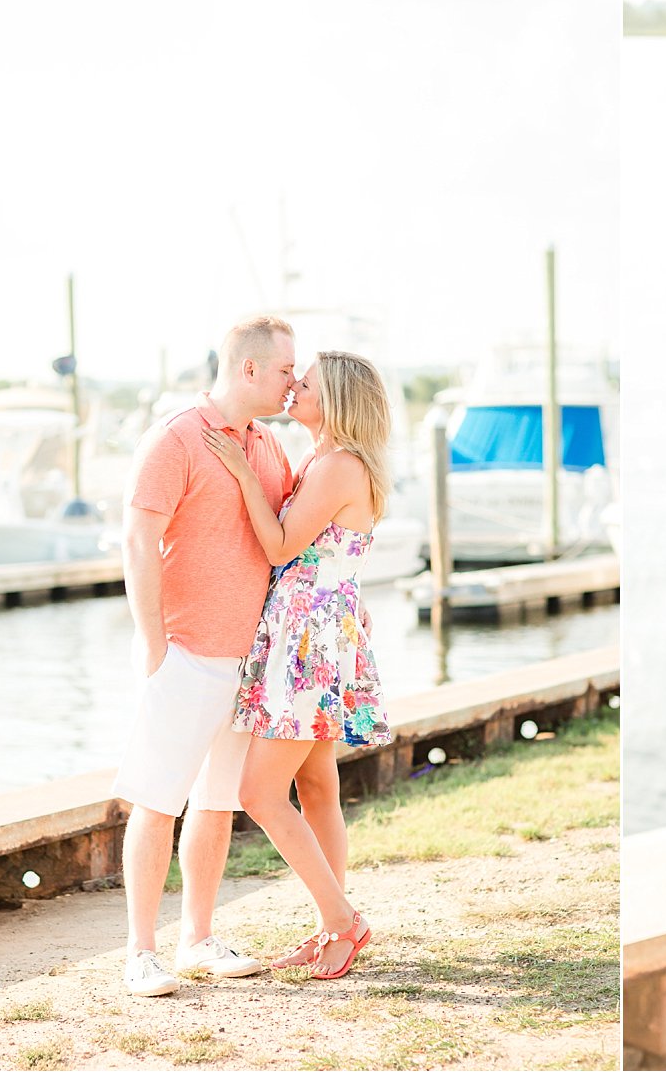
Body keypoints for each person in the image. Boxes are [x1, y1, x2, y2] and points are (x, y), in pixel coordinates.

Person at [112, 315, 297, 997]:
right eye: (284, 370)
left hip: (248, 660)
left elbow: (284, 534)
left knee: (216, 804)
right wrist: (154, 642)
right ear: (247, 369)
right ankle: (140, 952)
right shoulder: (176, 436)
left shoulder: (268, 446)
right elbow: (138, 541)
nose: (292, 381)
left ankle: (198, 936)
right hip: (185, 652)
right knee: (158, 802)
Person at [203, 349, 395, 981]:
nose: (293, 389)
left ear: (334, 398)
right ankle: (330, 929)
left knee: (259, 791)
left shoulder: (338, 464)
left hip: (308, 642)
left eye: (305, 383)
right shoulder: (325, 459)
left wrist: (241, 472)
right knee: (314, 789)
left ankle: (343, 922)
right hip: (314, 632)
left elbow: (284, 545)